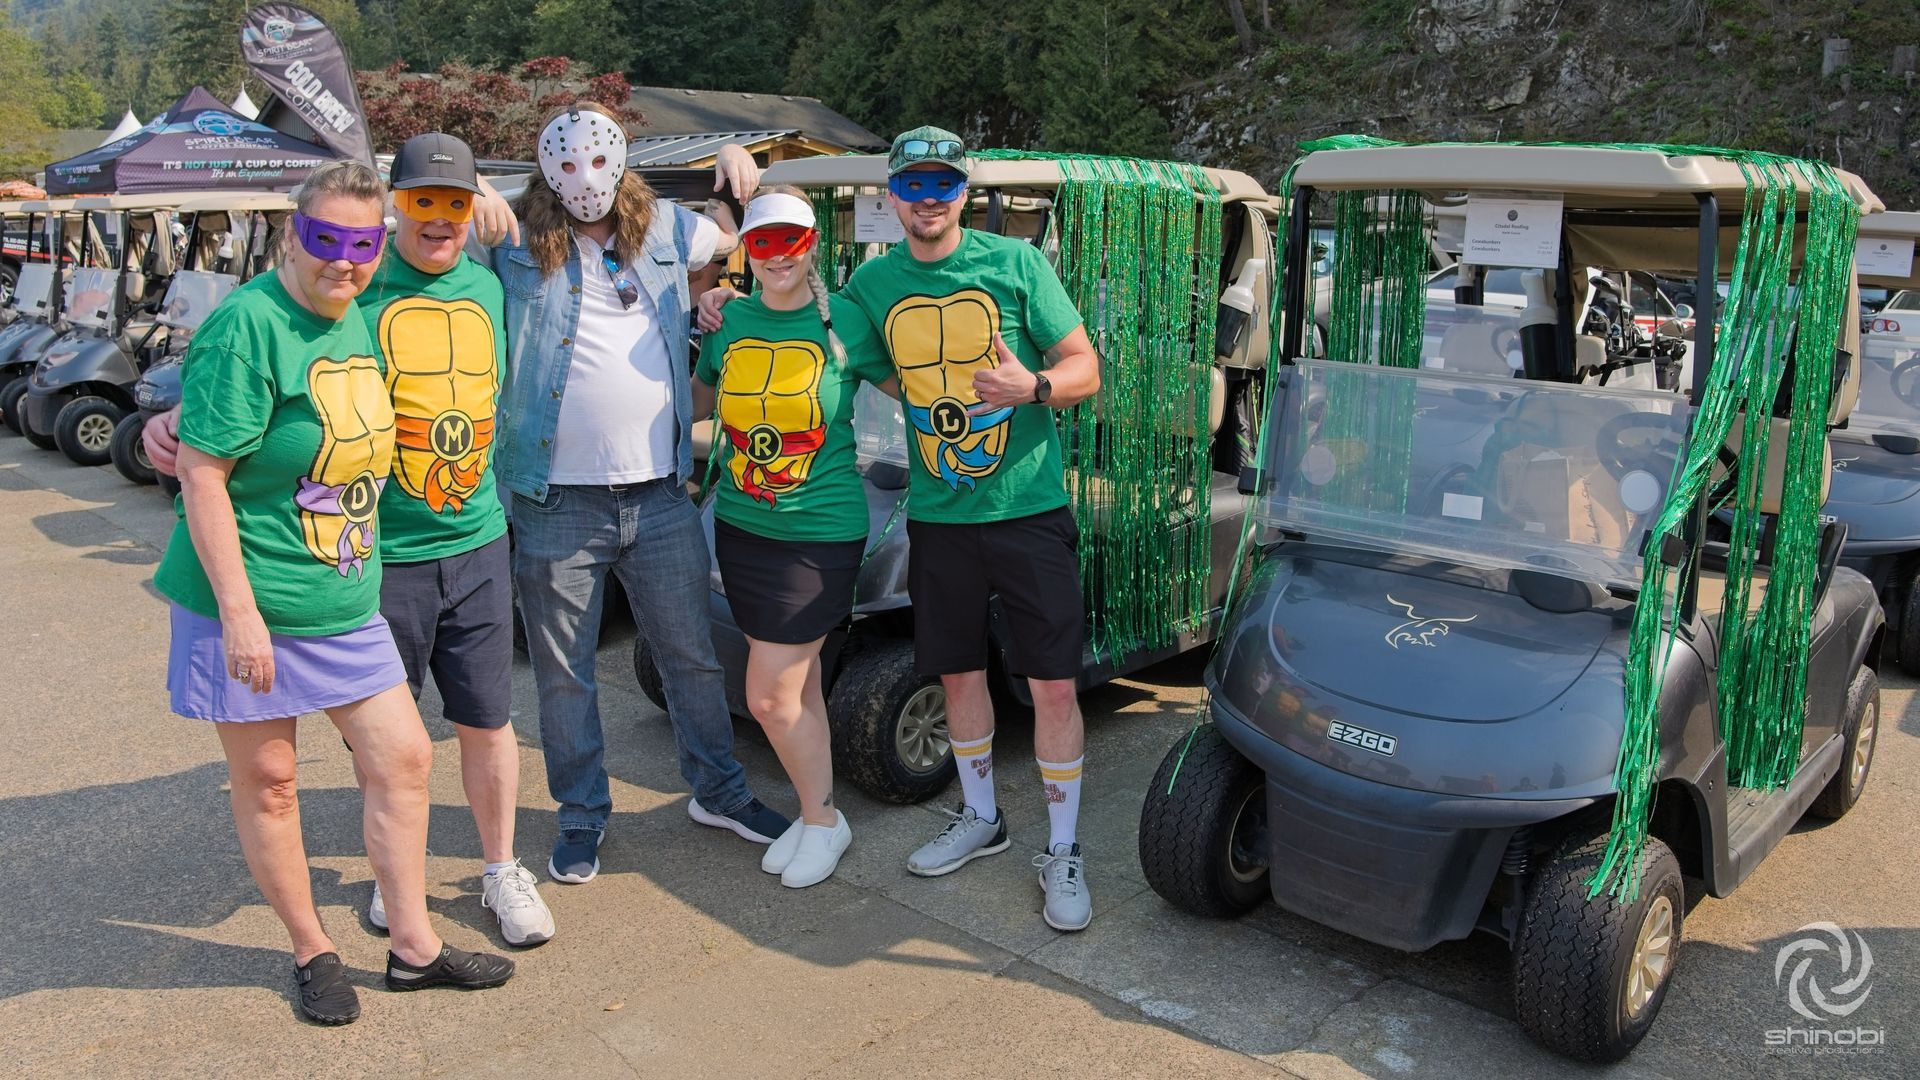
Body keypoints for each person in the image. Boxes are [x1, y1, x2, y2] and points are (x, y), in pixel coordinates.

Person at [149, 135, 559, 946]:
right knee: (360, 758)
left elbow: (620, 260)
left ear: (474, 205)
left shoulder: (498, 277)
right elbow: (251, 381)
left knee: (472, 726)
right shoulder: (351, 296)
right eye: (420, 201)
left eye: (456, 200)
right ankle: (377, 905)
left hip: (471, 539)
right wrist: (180, 425)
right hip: (375, 554)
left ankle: (492, 871)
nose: (437, 217)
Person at [700, 127, 1103, 930]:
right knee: (957, 676)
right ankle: (981, 820)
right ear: (893, 198)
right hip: (939, 516)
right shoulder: (871, 287)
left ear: (962, 191)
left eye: (942, 185)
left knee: (1052, 684)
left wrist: (1035, 386)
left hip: (1027, 508)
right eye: (913, 187)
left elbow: (1086, 367)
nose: (928, 200)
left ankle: (1063, 852)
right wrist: (717, 291)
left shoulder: (1016, 264)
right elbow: (805, 314)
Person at [490, 103, 789, 884]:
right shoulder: (516, 240)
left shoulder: (663, 229)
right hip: (555, 501)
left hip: (659, 495)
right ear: (546, 173)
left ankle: (718, 791)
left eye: (598, 164)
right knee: (564, 675)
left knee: (691, 657)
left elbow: (730, 236)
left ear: (621, 165)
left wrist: (733, 160)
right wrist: (464, 197)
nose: (585, 183)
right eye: (568, 168)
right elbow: (418, 247)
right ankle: (582, 815)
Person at [691, 188, 896, 888]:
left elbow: (921, 389)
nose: (777, 254)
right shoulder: (728, 319)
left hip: (818, 530)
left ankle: (823, 820)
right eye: (762, 241)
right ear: (747, 249)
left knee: (770, 698)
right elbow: (699, 397)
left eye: (791, 240)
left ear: (811, 245)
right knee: (797, 686)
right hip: (743, 525)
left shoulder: (845, 324)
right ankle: (817, 815)